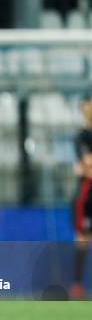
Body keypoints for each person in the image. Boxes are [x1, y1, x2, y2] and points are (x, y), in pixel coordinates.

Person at [71, 92, 92, 300]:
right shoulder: (81, 136)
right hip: (87, 196)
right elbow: (86, 164)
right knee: (83, 240)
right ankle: (77, 285)